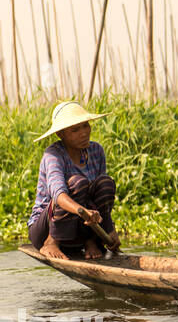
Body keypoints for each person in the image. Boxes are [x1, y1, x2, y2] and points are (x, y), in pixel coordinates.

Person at [27, 101, 120, 261]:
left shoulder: (96, 150)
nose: (84, 133)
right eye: (75, 130)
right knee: (78, 183)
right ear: (60, 134)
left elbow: (100, 198)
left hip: (80, 230)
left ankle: (91, 242)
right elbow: (59, 196)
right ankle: (51, 243)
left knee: (106, 183)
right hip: (47, 229)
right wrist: (83, 211)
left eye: (85, 125)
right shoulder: (54, 155)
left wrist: (109, 229)